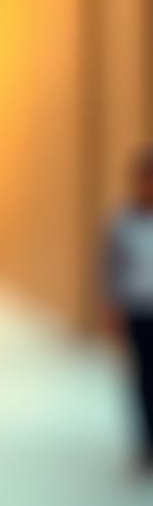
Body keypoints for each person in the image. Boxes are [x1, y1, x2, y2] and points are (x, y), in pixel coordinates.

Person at [102, 144, 153, 472]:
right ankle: (146, 442)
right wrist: (111, 310)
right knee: (144, 379)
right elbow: (110, 271)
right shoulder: (122, 224)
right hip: (138, 312)